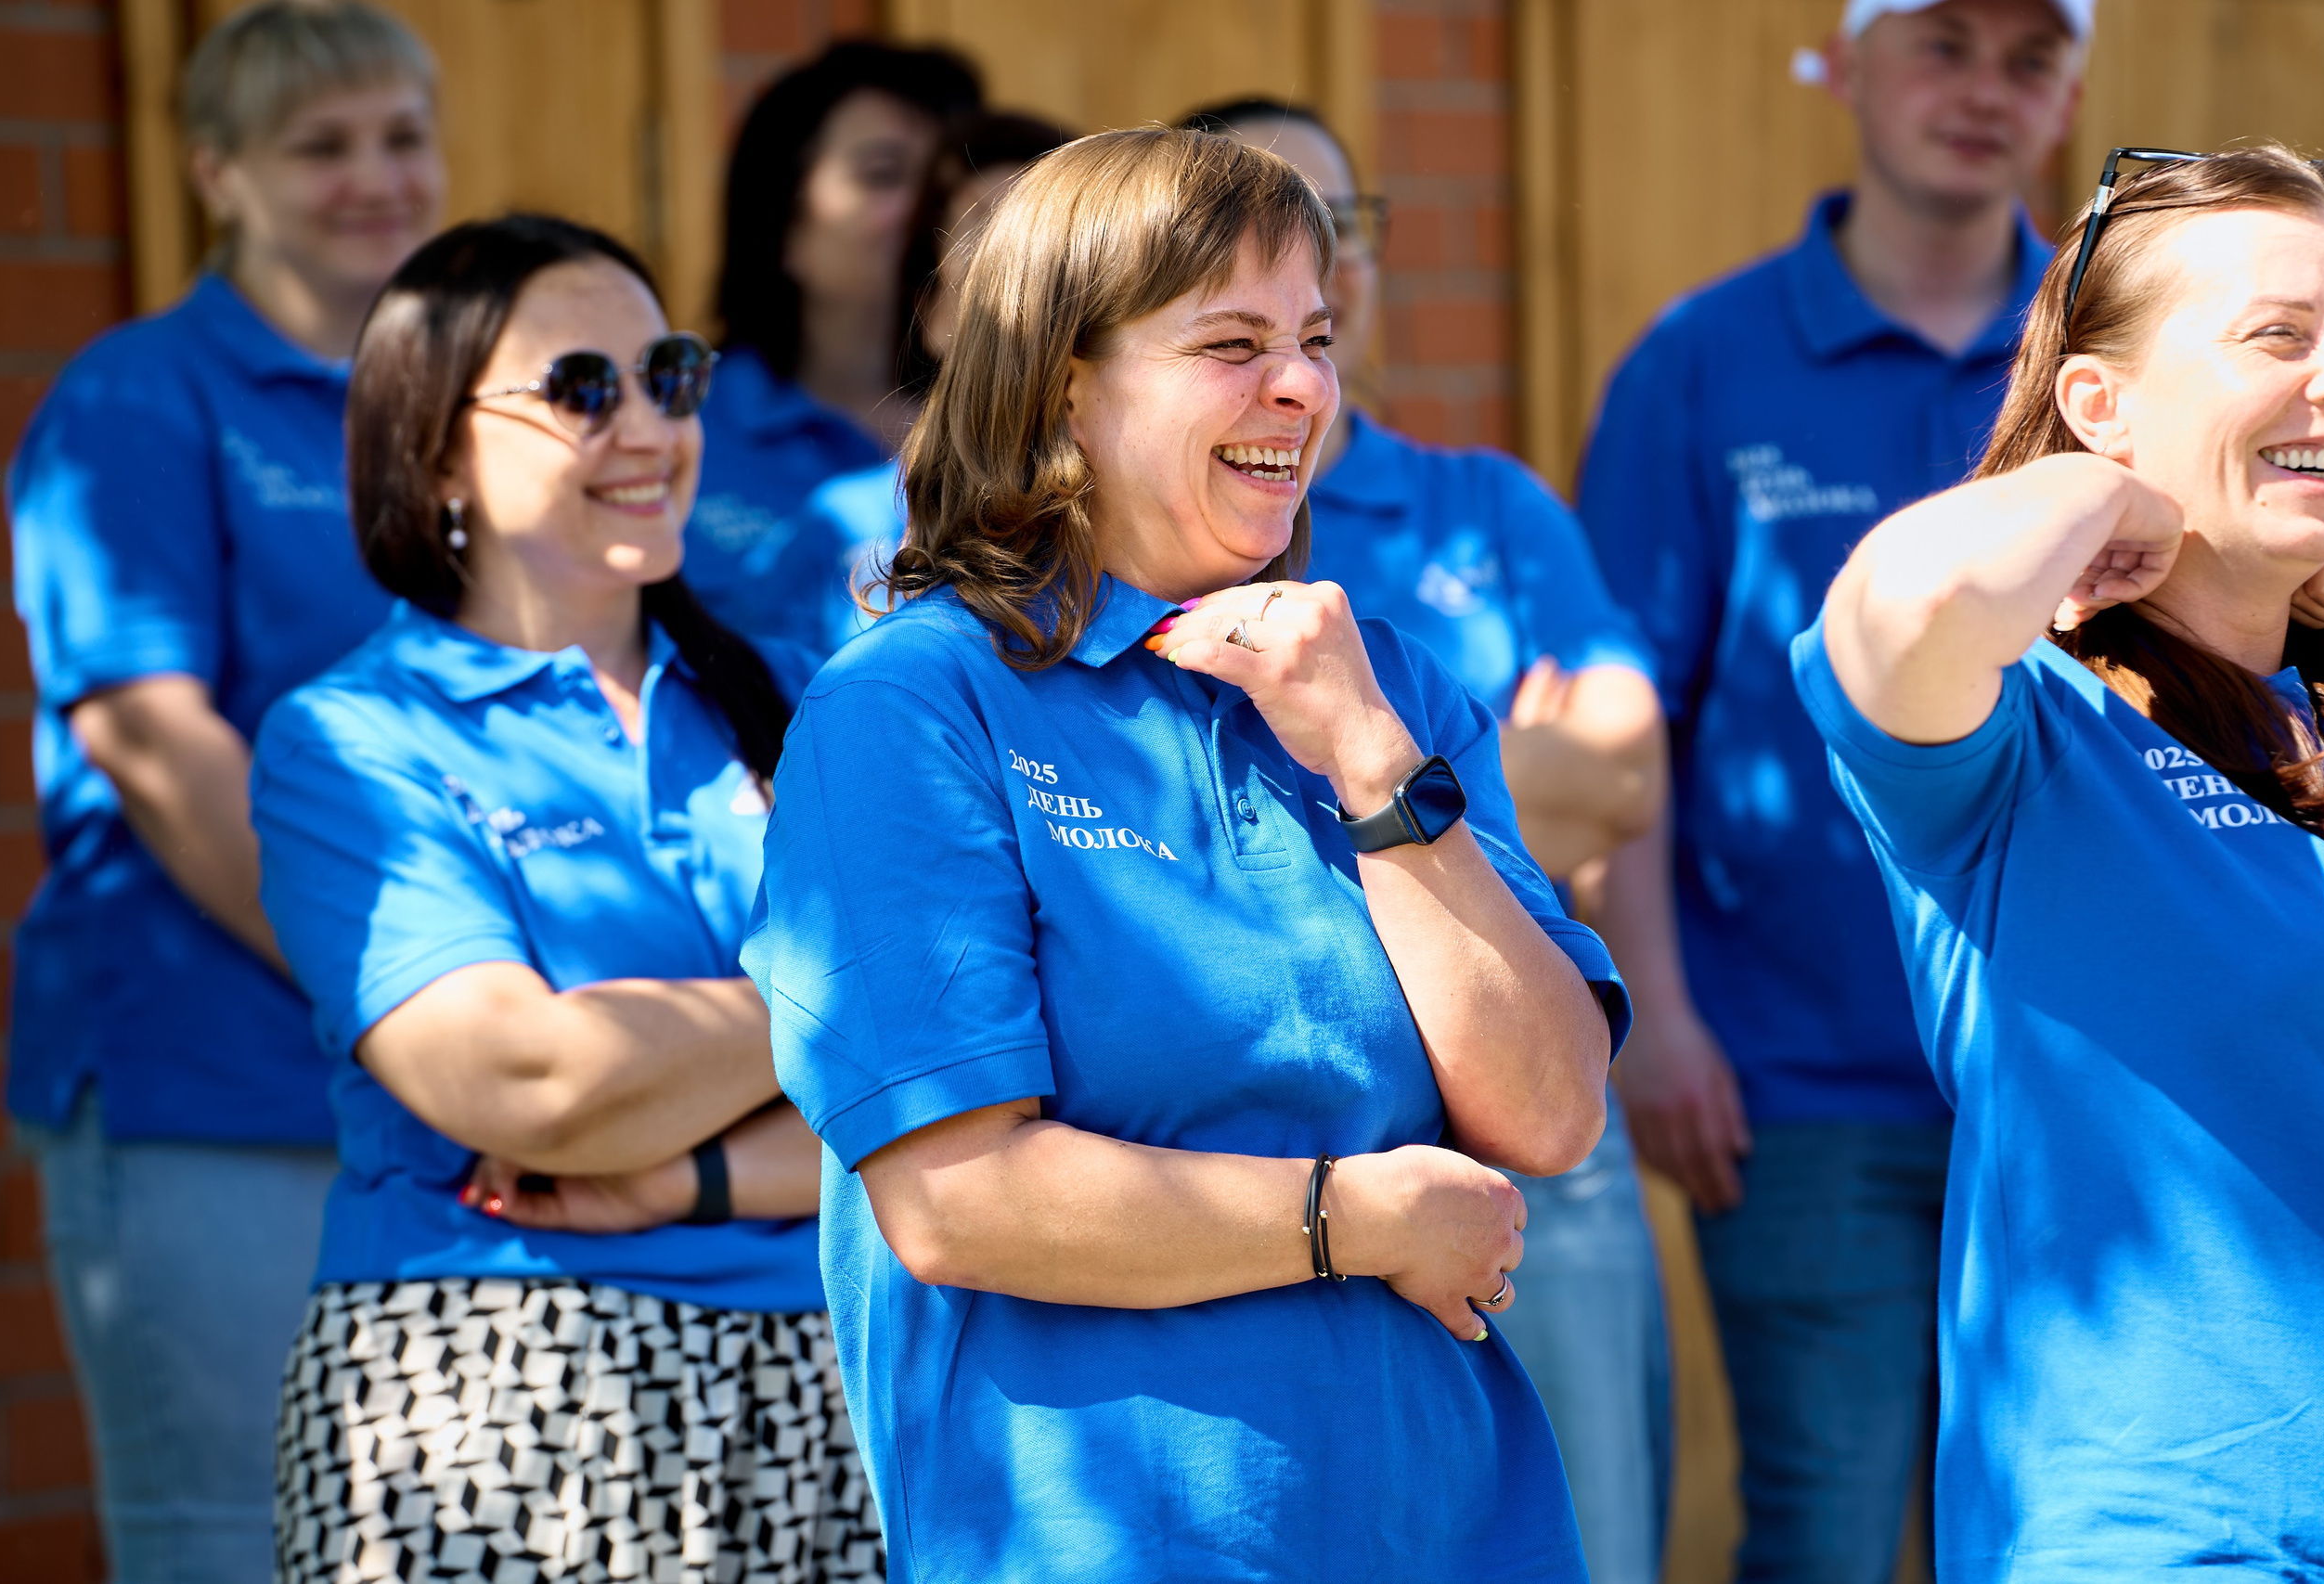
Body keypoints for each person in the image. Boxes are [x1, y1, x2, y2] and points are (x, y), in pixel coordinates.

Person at [748, 126, 1630, 1581]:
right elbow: (958, 1198)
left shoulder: (1386, 684)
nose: (1300, 387)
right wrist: (1354, 1216)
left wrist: (1369, 760)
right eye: (1231, 342)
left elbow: (1551, 1111)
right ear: (1065, 385)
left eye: (1316, 337)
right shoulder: (911, 705)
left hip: (1458, 1534)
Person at [249, 214, 879, 1584]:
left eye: (669, 373)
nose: (648, 425)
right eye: (584, 387)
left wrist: (690, 1168)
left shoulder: (814, 698)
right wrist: (847, 979)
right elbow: (530, 1082)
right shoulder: (350, 740)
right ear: (435, 450)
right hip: (493, 1382)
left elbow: (985, 1066)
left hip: (847, 1374)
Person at [1796, 143, 2324, 1578]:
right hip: (2176, 1539)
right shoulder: (2026, 728)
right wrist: (2109, 502)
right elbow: (1914, 587)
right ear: (2099, 402)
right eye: (2280, 336)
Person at [1576, 1, 2085, 1574]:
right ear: (1844, 61)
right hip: (1800, 1080)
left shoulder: (2112, 353)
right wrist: (1654, 1011)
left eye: (2029, 55)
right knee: (1833, 1532)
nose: (1984, 91)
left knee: (2069, 1536)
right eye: (1942, 44)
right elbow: (1626, 723)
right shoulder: (1700, 362)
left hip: (2074, 1072)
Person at [1188, 96, 1673, 1584]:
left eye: (1342, 230)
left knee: (1578, 1535)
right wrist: (1462, 775)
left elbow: (1619, 773)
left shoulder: (1483, 501)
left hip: (1530, 1134)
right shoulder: (1111, 563)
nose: (1317, 276)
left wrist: (1357, 752)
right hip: (1268, 1141)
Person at [5, 5, 443, 1575]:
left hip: (436, 1076)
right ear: (217, 171)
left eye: (400, 136)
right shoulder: (137, 400)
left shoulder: (456, 399)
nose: (374, 179)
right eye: (319, 147)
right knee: (235, 1542)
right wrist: (408, 991)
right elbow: (150, 738)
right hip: (223, 1073)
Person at [684, 41, 981, 648]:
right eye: (884, 174)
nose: (929, 209)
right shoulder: (682, 427)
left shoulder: (1031, 423)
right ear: (783, 224)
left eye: (945, 182)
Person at [802, 109, 1073, 653]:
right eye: (989, 237)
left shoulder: (1209, 513)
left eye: (1063, 241)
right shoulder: (835, 528)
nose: (1037, 279)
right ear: (931, 311)